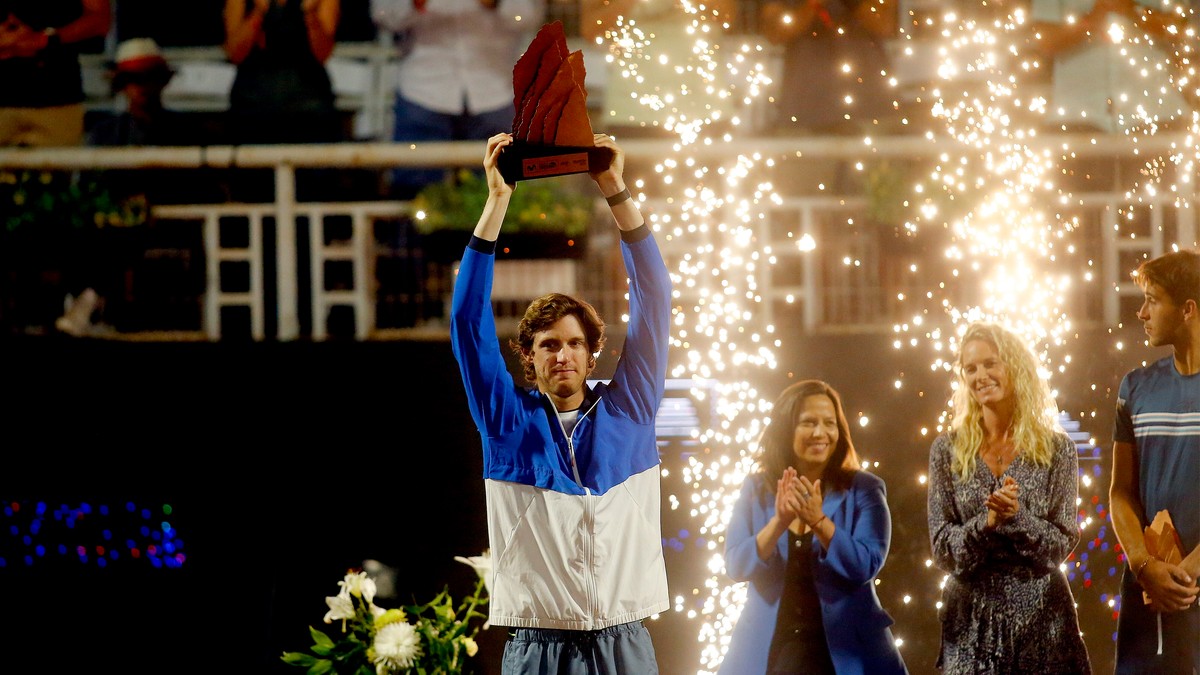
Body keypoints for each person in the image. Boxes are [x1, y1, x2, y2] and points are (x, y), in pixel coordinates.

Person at [449, 131, 672, 672]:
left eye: (575, 344)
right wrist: (497, 201)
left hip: (624, 638)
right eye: (549, 345)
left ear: (593, 355)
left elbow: (656, 300)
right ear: (529, 356)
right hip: (538, 645)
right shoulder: (507, 424)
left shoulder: (630, 411)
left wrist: (615, 189)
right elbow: (467, 322)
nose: (563, 355)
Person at [927, 321, 1091, 674]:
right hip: (970, 627)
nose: (980, 376)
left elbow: (1061, 544)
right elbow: (942, 549)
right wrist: (985, 524)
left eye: (990, 363)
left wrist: (1018, 518)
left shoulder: (1058, 449)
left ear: (1015, 368)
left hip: (1042, 624)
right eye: (971, 368)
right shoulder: (946, 450)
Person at [720, 379, 908, 675]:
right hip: (770, 654)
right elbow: (736, 565)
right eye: (808, 422)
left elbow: (866, 565)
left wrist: (819, 522)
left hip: (850, 653)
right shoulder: (756, 488)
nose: (820, 433)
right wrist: (779, 523)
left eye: (829, 423)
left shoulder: (865, 488)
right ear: (786, 429)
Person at [1108, 249, 1199, 675]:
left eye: (1152, 300)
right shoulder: (1135, 387)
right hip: (1149, 596)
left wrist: (1189, 572)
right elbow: (1120, 492)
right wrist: (1143, 565)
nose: (1142, 313)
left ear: (1187, 309)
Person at [369, 0, 543, 199]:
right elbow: (383, 15)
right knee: (416, 197)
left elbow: (528, 16)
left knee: (499, 197)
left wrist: (494, 3)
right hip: (422, 91)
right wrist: (416, 3)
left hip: (495, 91)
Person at [1029, 0, 1192, 134]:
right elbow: (1045, 41)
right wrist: (1094, 18)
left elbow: (1182, 30)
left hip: (1157, 115)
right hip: (1076, 117)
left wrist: (1132, 10)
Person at [756, 0, 897, 138]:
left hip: (870, 110)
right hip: (804, 112)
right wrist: (811, 6)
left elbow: (885, 25)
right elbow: (775, 33)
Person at [223, 0, 343, 147]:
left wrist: (309, 14)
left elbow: (323, 54)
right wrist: (259, 12)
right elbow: (234, 53)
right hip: (252, 105)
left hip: (309, 107)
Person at [0, 0, 111, 148]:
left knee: (59, 161)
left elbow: (100, 20)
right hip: (6, 102)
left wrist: (46, 39)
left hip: (58, 101)